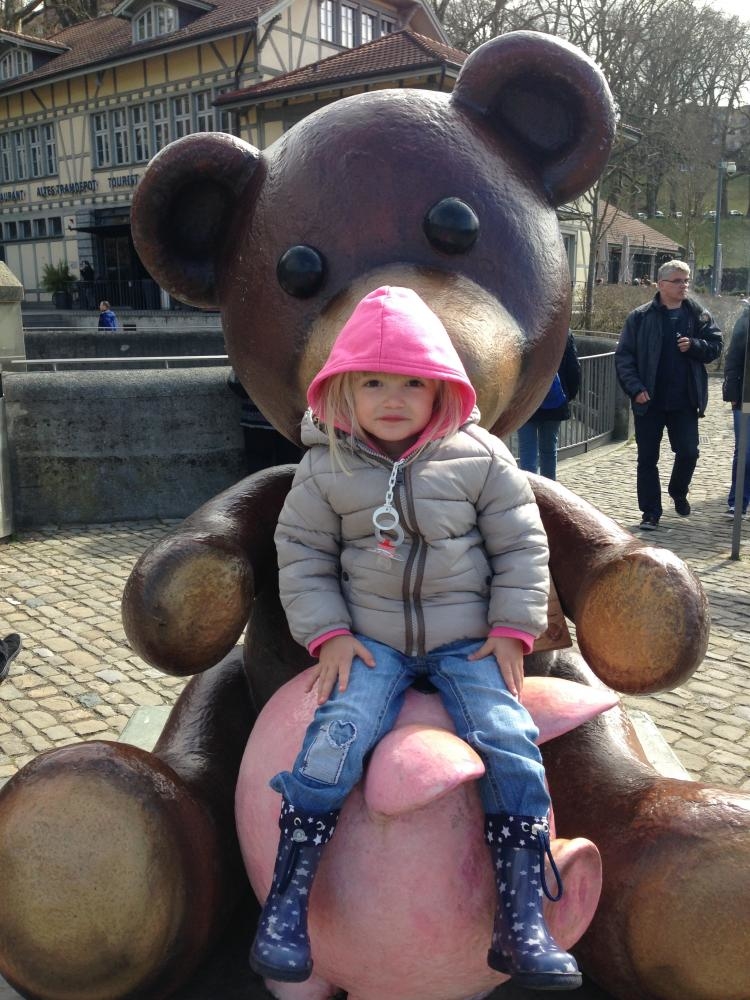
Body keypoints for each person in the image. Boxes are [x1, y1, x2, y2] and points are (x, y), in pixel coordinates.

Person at [250, 286, 582, 992]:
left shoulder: (481, 457)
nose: (393, 399)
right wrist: (329, 635)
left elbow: (521, 546)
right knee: (333, 742)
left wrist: (512, 630)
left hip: (468, 643)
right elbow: (301, 555)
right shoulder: (326, 466)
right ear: (345, 388)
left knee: (511, 743)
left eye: (412, 383)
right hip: (372, 645)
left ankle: (522, 918)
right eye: (374, 383)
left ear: (441, 389)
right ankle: (287, 907)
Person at [615, 259, 722, 530]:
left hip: (685, 400)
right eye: (678, 281)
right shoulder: (640, 317)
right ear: (661, 284)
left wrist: (695, 345)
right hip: (648, 401)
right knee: (647, 460)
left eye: (686, 280)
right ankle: (650, 512)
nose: (684, 285)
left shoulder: (697, 314)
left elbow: (716, 345)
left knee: (689, 452)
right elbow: (624, 357)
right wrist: (635, 388)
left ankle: (678, 490)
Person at [517, 331, 580, 480]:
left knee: (527, 454)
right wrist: (567, 395)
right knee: (549, 451)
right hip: (554, 402)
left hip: (525, 403)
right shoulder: (562, 332)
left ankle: (530, 491)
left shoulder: (521, 329)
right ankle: (549, 489)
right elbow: (573, 369)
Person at [226, 369, 303, 473]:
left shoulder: (250, 358)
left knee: (258, 470)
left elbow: (235, 383)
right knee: (289, 470)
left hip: (256, 418)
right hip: (288, 419)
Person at [722, 301, 750, 517]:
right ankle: (738, 501)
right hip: (746, 397)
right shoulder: (746, 320)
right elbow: (733, 359)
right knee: (745, 451)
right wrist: (733, 394)